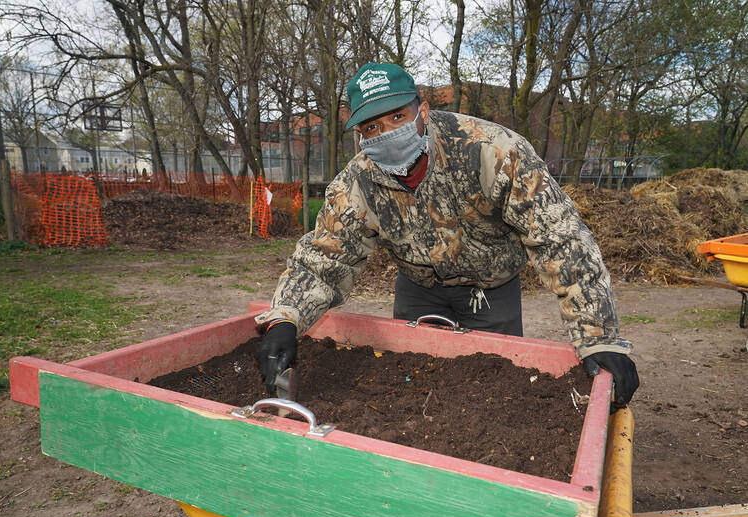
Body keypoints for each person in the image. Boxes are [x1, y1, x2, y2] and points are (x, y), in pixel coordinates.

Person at [256, 62, 639, 407]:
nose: (386, 132)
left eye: (396, 117)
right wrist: (286, 319)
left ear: (422, 110)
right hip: (419, 288)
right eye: (372, 127)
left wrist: (598, 336)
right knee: (412, 390)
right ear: (359, 135)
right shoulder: (358, 183)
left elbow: (561, 239)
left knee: (499, 393)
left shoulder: (491, 151)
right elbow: (324, 259)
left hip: (492, 291)